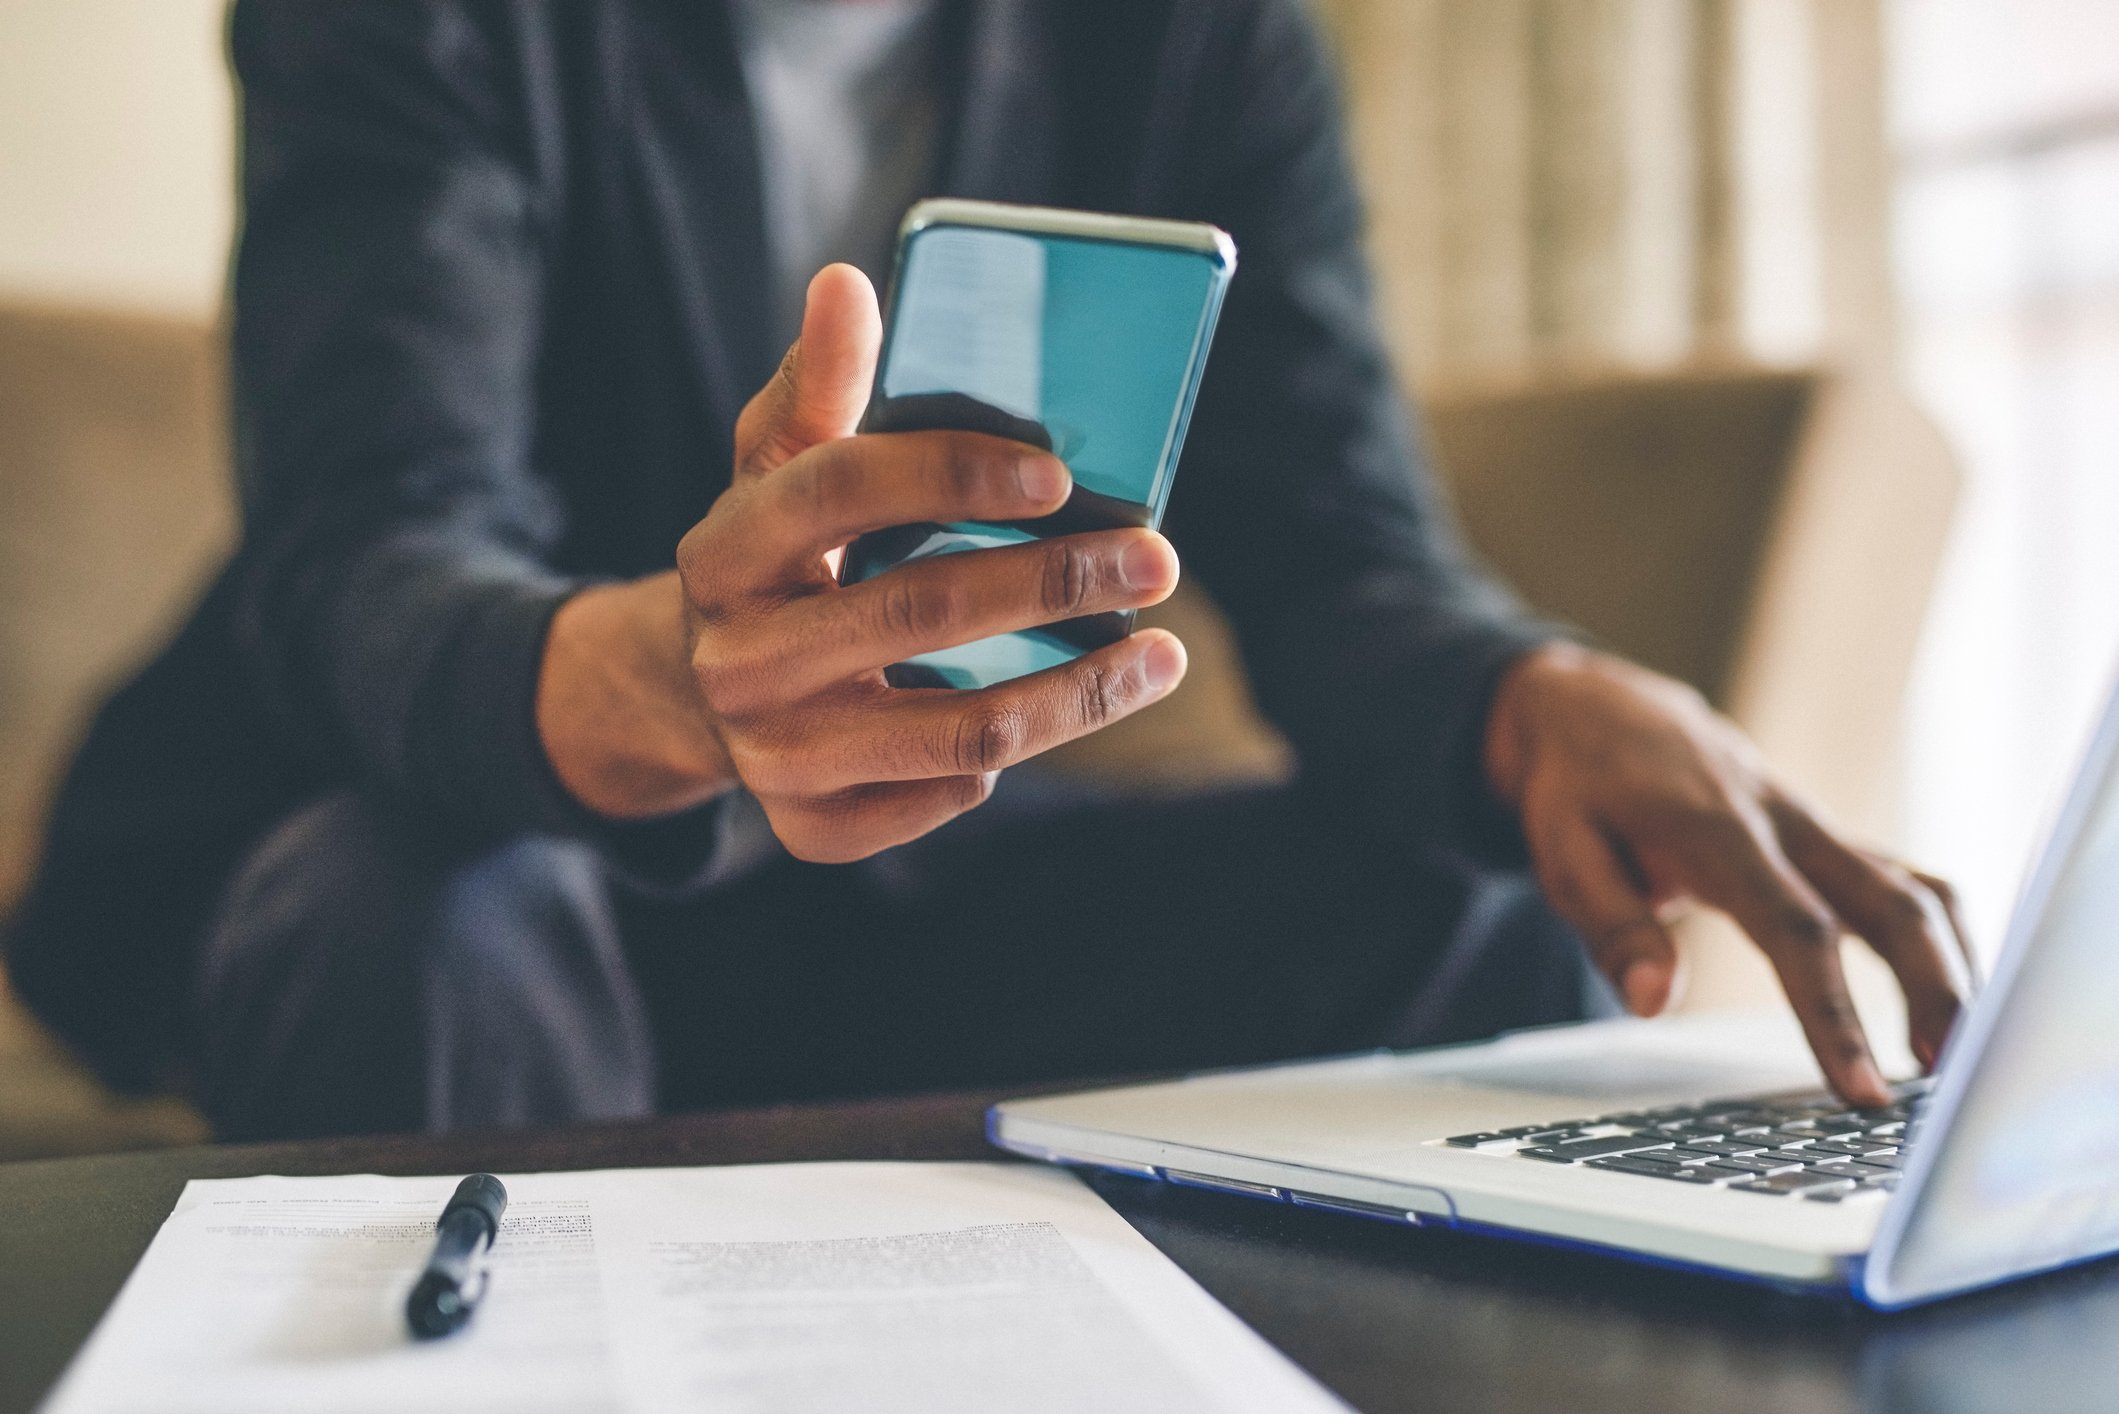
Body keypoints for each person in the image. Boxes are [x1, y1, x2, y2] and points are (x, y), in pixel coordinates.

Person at [5, 0, 1970, 1142]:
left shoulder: (1203, 41)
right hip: (471, 827)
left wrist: (1539, 697)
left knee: (1477, 917)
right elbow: (367, 542)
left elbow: (1340, 549)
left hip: (897, 900)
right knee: (417, 919)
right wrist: (691, 679)